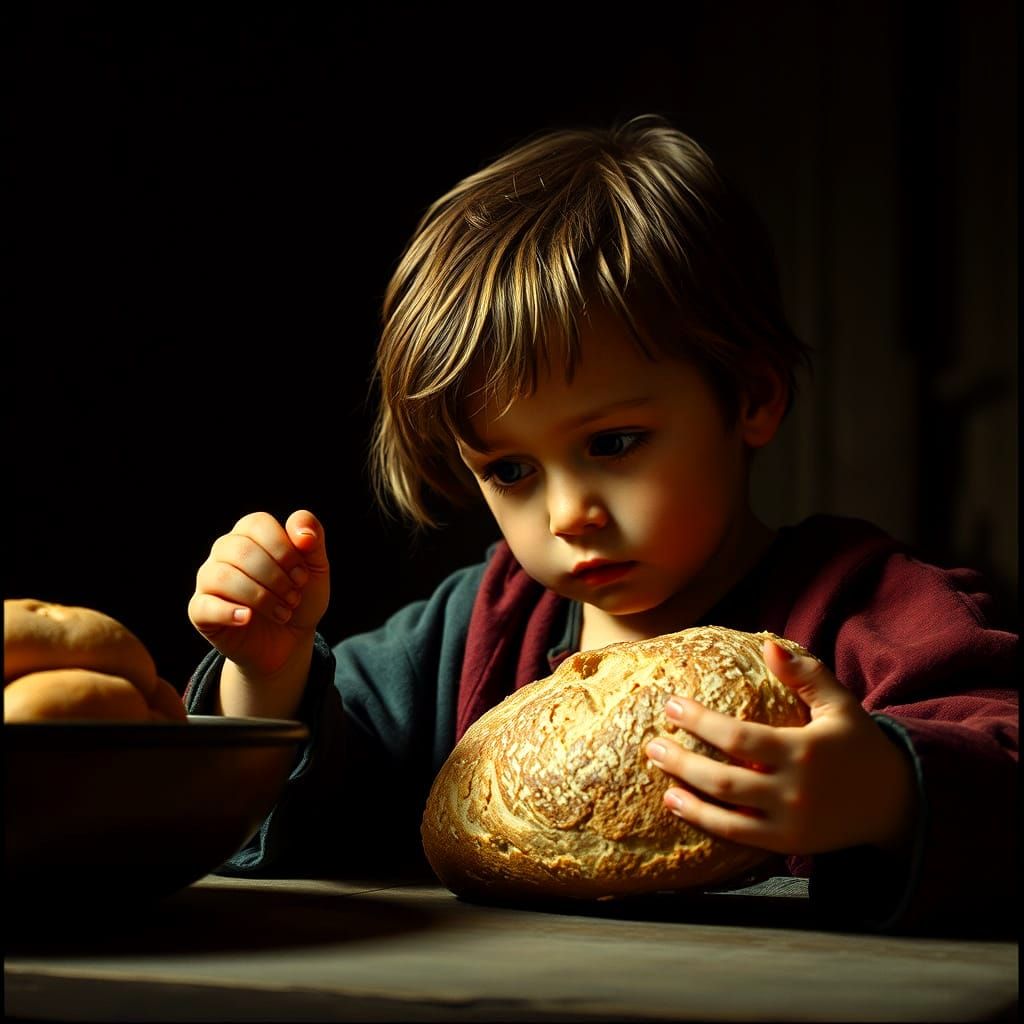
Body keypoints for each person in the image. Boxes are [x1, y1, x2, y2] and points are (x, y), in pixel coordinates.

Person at [185, 114, 1018, 934]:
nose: (567, 514)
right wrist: (268, 670)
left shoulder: (867, 610)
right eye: (510, 471)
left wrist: (886, 794)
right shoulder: (478, 627)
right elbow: (313, 796)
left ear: (753, 395)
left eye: (613, 443)